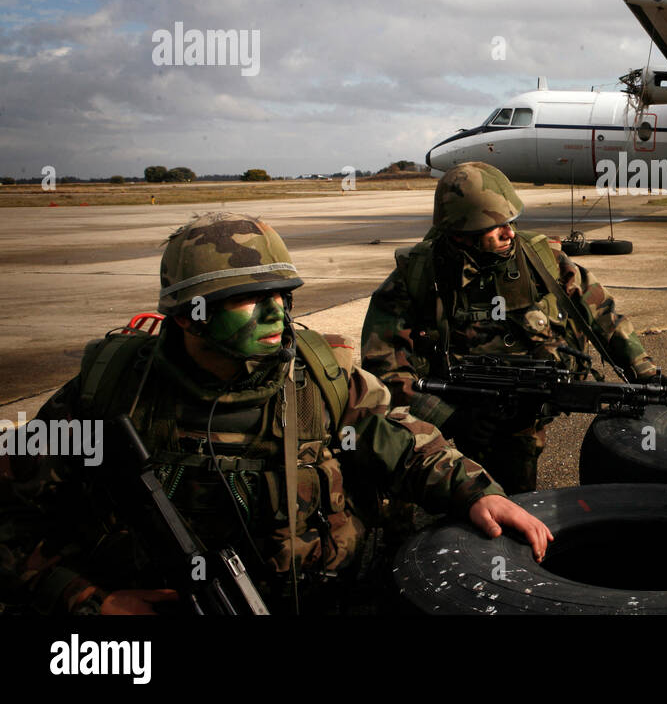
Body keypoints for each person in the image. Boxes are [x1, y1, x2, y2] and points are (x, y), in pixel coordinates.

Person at [0, 211, 550, 615]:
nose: (277, 312)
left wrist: (481, 493)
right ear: (188, 318)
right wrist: (88, 600)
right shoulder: (110, 393)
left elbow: (406, 443)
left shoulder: (321, 376)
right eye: (250, 297)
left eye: (284, 293)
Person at [361, 161, 667, 494]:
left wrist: (646, 374)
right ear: (460, 233)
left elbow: (601, 313)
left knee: (516, 496)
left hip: (523, 409)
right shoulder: (417, 277)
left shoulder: (541, 259)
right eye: (496, 228)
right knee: (432, 494)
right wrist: (450, 419)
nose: (510, 233)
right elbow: (383, 368)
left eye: (511, 222)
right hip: (447, 412)